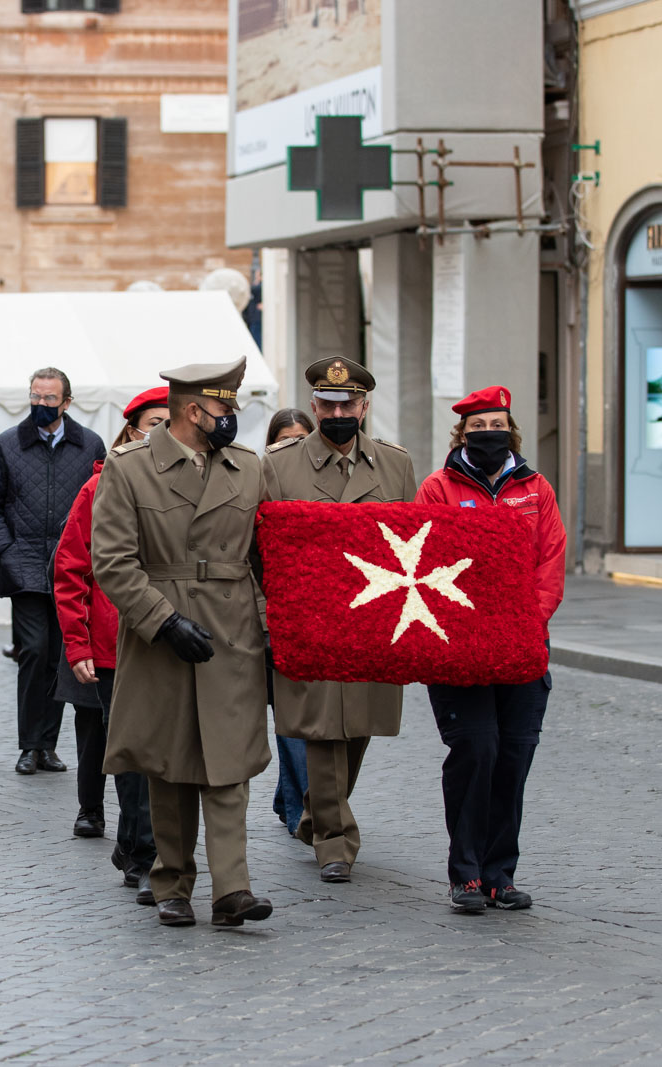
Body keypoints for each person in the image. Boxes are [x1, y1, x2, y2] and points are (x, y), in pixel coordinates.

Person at [92, 358, 275, 929]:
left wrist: (268, 628)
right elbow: (112, 562)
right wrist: (163, 621)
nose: (233, 421)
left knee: (229, 761)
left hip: (231, 630)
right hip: (161, 634)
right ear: (193, 411)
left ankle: (233, 889)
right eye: (224, 410)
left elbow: (267, 556)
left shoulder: (248, 468)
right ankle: (171, 883)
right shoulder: (130, 467)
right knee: (168, 764)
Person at [262, 357, 416, 883]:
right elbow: (259, 550)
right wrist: (269, 616)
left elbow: (412, 547)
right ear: (312, 406)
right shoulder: (278, 466)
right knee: (323, 730)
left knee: (358, 728)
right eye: (327, 404)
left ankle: (314, 812)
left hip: (375, 621)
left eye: (348, 403)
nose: (338, 412)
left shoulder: (395, 466)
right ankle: (334, 839)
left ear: (365, 406)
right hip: (311, 621)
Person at [414, 385, 565, 914]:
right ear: (461, 435)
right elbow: (425, 561)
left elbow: (550, 562)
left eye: (496, 426)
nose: (488, 436)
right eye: (477, 429)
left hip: (524, 646)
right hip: (463, 649)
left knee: (514, 756)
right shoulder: (438, 488)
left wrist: (529, 621)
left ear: (511, 430)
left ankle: (501, 874)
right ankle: (466, 873)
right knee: (476, 750)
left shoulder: (536, 489)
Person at [54, 386, 167, 905]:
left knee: (164, 752)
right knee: (132, 751)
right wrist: (76, 643)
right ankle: (144, 854)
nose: (159, 432)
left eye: (170, 422)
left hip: (172, 637)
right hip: (112, 643)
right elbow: (71, 566)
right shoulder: (99, 488)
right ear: (131, 429)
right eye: (152, 422)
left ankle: (136, 843)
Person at [0, 367, 105, 777]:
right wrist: (7, 553)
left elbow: (104, 503)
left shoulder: (90, 445)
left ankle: (48, 745)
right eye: (35, 396)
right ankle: (30, 745)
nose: (41, 405)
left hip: (73, 568)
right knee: (33, 652)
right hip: (25, 567)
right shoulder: (7, 444)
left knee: (60, 656)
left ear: (67, 402)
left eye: (50, 399)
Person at [262, 407, 316, 837]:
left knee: (301, 717)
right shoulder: (260, 484)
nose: (292, 447)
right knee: (291, 717)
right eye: (283, 440)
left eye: (300, 438)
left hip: (317, 616)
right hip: (272, 620)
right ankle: (301, 811)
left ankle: (289, 797)